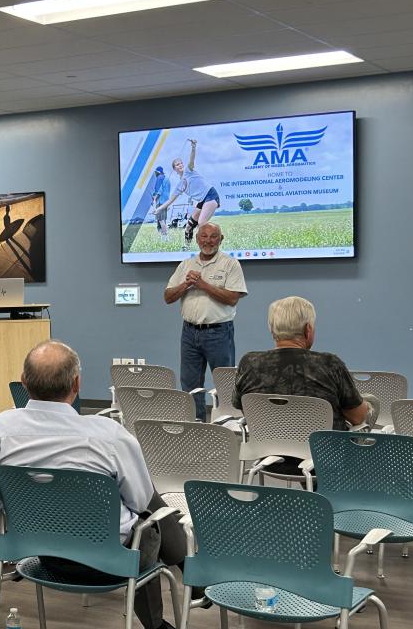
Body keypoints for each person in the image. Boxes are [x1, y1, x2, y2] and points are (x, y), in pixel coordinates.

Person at [0, 341, 192, 629]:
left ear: (23, 383)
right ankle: (162, 621)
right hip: (114, 562)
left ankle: (168, 614)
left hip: (44, 558)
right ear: (76, 384)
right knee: (149, 515)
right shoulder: (109, 435)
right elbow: (141, 501)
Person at [233, 296, 375, 432]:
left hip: (269, 451)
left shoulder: (249, 363)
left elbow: (244, 408)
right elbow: (358, 417)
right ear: (308, 330)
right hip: (323, 452)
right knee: (371, 403)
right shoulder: (330, 364)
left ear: (272, 330)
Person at [164, 223, 247, 421]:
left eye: (213, 236)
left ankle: (228, 424)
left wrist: (202, 285)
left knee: (225, 383)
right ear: (196, 239)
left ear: (221, 239)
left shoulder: (230, 264)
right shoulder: (186, 265)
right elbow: (167, 297)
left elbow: (232, 298)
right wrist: (186, 284)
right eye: (203, 236)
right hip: (189, 333)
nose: (208, 241)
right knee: (190, 384)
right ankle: (197, 424)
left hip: (218, 332)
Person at [153, 139, 219, 243]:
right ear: (174, 169)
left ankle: (213, 243)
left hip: (210, 195)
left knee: (201, 223)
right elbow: (170, 200)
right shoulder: (179, 185)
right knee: (188, 226)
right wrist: (159, 209)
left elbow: (191, 160)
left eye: (181, 163)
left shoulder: (189, 171)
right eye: (177, 164)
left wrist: (193, 147)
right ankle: (187, 248)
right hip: (202, 200)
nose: (180, 165)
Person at [151, 165, 171, 240]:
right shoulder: (167, 179)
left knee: (161, 220)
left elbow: (159, 191)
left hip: (160, 202)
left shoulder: (159, 178)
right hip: (166, 202)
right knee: (163, 220)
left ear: (157, 172)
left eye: (155, 172)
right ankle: (162, 237)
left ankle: (165, 238)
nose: (155, 174)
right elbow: (165, 191)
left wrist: (154, 198)